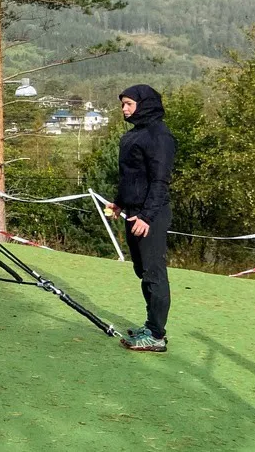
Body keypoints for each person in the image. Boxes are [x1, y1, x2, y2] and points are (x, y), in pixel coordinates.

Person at [108, 84, 177, 353]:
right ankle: (150, 325)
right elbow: (131, 176)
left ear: (144, 104)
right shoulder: (135, 135)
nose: (124, 109)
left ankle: (157, 336)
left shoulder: (160, 137)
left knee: (153, 273)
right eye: (122, 104)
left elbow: (160, 181)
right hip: (133, 212)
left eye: (129, 104)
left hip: (152, 215)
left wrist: (146, 217)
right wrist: (119, 202)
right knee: (142, 271)